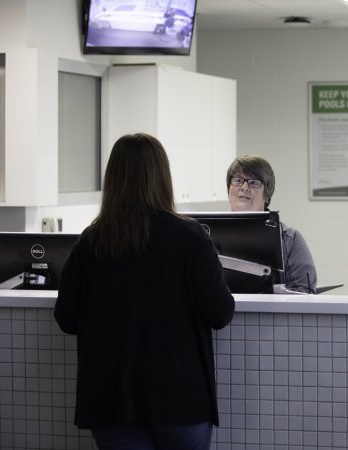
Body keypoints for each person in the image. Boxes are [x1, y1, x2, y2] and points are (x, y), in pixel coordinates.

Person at [55, 133, 235, 450]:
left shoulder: (91, 241)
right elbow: (219, 313)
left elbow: (67, 318)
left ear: (112, 180)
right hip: (180, 397)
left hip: (112, 400)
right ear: (163, 177)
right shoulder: (190, 237)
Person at [226, 154, 318, 294]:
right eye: (238, 180)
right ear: (229, 189)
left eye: (254, 183)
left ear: (267, 194)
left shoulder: (289, 239)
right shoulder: (204, 235)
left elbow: (304, 294)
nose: (244, 187)